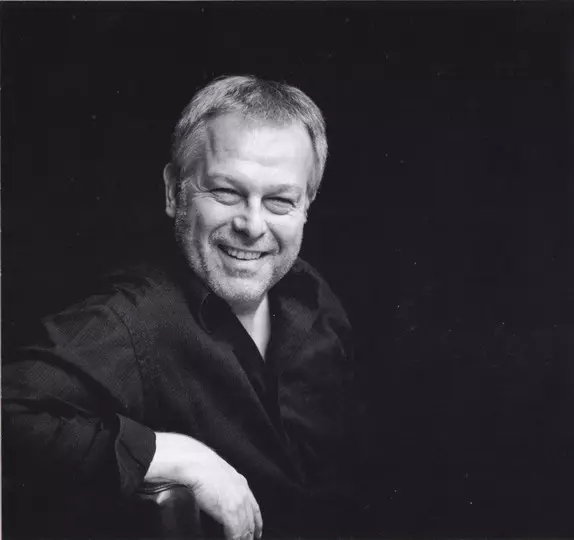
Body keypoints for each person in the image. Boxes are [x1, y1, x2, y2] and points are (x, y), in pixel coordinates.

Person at [3, 75, 360, 540]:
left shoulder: (313, 296)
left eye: (279, 201)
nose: (253, 225)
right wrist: (167, 454)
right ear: (175, 193)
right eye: (226, 192)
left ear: (306, 205)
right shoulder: (134, 318)